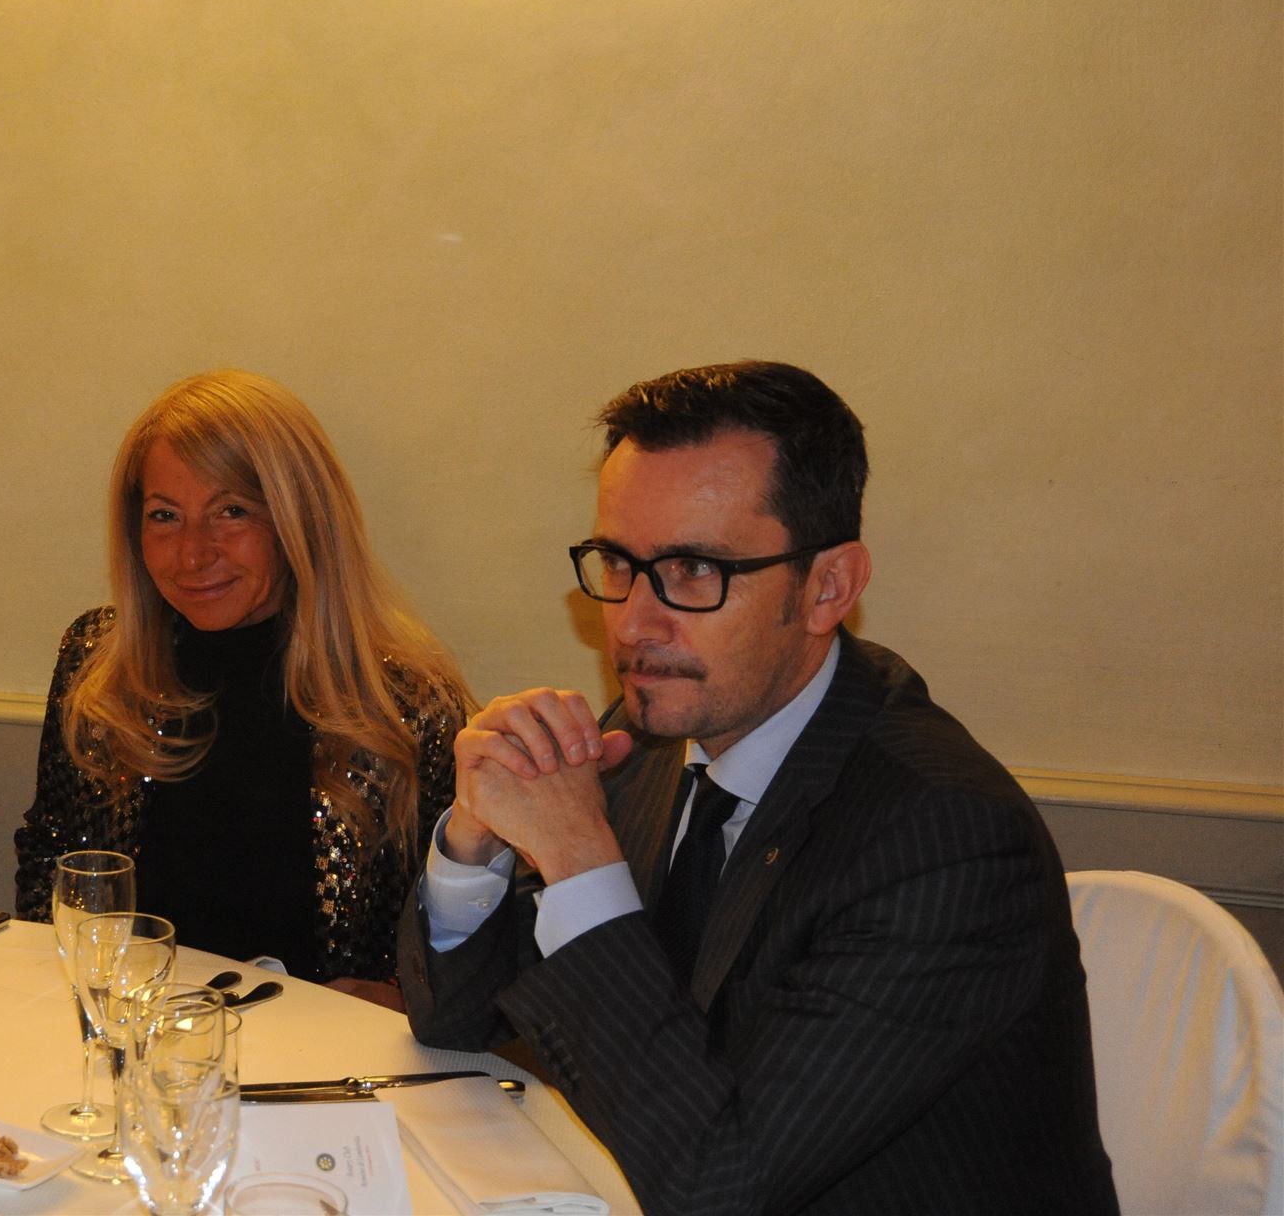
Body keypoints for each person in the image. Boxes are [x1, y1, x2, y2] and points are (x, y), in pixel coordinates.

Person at [400, 361, 1118, 1215]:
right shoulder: (661, 738)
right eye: (619, 562)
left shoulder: (945, 839)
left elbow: (719, 1186)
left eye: (694, 568)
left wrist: (579, 857)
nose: (633, 621)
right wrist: (473, 841)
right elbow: (459, 1025)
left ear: (828, 588)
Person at [14, 370, 472, 1004]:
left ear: (299, 520)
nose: (192, 554)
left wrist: (405, 997)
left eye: (231, 512)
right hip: (135, 1030)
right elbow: (51, 866)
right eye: (164, 516)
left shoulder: (404, 700)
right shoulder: (97, 664)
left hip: (323, 1052)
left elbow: (455, 940)